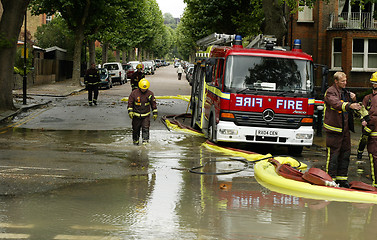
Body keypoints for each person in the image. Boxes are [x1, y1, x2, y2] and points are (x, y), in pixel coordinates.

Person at [323, 71, 361, 188]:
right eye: (343, 81)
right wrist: (350, 105)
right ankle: (331, 179)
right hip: (334, 129)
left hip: (344, 129)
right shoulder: (330, 91)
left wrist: (354, 100)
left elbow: (349, 105)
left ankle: (342, 179)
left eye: (346, 81)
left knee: (345, 153)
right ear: (336, 81)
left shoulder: (344, 91)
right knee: (334, 154)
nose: (345, 83)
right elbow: (336, 104)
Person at [127, 78, 158, 145]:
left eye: (145, 89)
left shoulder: (150, 94)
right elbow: (130, 103)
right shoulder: (134, 93)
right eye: (142, 88)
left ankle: (145, 143)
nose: (144, 90)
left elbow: (153, 103)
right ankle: (135, 142)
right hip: (136, 116)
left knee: (145, 129)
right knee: (135, 130)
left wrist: (155, 113)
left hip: (145, 116)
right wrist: (130, 111)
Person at [360, 72, 377, 187]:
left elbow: (374, 116)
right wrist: (363, 119)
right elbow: (362, 110)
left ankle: (376, 184)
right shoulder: (369, 98)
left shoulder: (374, 99)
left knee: (374, 157)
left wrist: (368, 128)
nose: (373, 86)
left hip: (374, 134)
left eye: (374, 84)